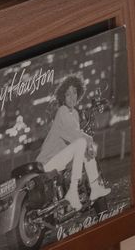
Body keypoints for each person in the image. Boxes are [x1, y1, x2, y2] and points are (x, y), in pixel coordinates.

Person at [36, 75, 111, 210]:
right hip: (47, 163)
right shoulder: (62, 111)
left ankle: (91, 189)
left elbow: (74, 132)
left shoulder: (74, 113)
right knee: (82, 143)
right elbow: (75, 135)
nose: (72, 97)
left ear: (79, 93)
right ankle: (76, 191)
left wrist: (87, 141)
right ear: (63, 97)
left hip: (59, 159)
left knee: (84, 146)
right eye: (68, 94)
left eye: (75, 92)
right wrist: (89, 140)